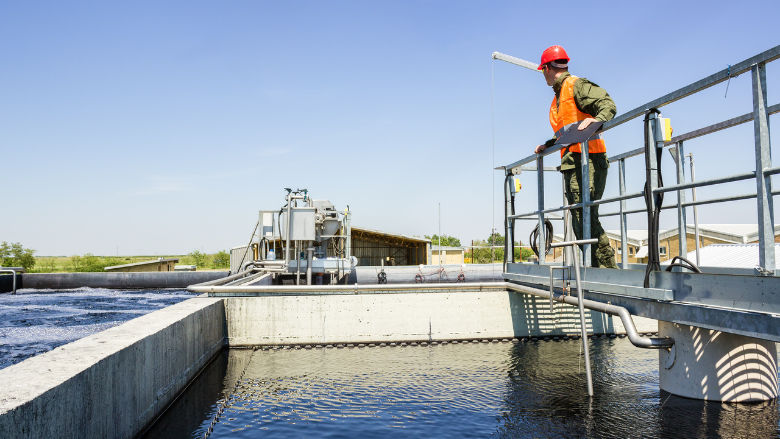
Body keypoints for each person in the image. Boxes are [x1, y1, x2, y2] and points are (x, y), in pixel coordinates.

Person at [534, 45, 617, 268]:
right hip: (573, 163)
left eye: (543, 70)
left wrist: (597, 119)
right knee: (581, 219)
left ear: (547, 68)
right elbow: (566, 131)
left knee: (585, 218)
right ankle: (597, 267)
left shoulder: (576, 86)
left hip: (588, 161)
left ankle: (606, 269)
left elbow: (608, 104)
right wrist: (549, 145)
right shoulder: (558, 98)